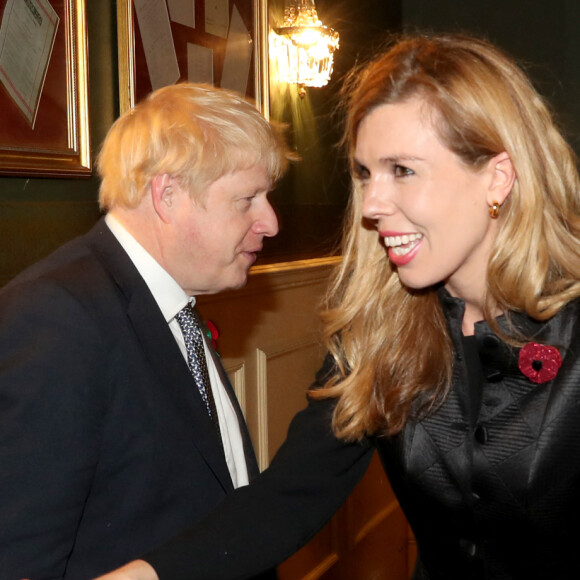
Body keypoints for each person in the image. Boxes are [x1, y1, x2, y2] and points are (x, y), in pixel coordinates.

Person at [97, 32, 580, 580]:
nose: (372, 205)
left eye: (403, 170)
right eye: (365, 173)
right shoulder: (379, 333)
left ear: (497, 175)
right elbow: (289, 498)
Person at [0, 83, 290, 579]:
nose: (271, 221)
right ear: (168, 193)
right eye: (248, 198)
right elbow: (21, 557)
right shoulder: (58, 316)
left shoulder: (170, 298)